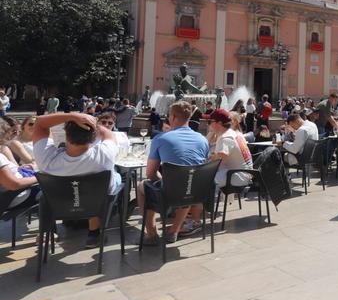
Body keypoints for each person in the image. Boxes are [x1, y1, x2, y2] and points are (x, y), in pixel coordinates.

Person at [32, 112, 123, 248]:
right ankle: (94, 234)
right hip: (95, 204)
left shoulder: (46, 158)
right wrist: (93, 122)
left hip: (60, 206)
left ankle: (48, 231)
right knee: (114, 178)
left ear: (66, 134)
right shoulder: (105, 154)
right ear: (93, 137)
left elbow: (39, 123)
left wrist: (72, 116)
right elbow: (108, 134)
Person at [138, 101, 210, 244]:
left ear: (174, 117)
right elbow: (200, 168)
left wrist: (163, 179)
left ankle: (151, 234)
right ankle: (174, 230)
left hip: (171, 193)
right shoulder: (203, 140)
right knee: (188, 181)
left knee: (142, 186)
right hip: (197, 193)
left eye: (169, 115)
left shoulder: (161, 139)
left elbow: (150, 174)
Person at [207, 109, 253, 188]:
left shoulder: (225, 138)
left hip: (237, 176)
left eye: (210, 122)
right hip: (244, 174)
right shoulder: (233, 133)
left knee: (200, 179)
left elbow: (217, 163)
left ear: (219, 123)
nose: (208, 125)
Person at [0, 119, 39, 211]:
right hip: (13, 197)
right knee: (54, 190)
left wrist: (20, 168)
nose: (9, 135)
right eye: (7, 132)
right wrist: (40, 178)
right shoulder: (2, 153)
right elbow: (14, 184)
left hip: (13, 193)